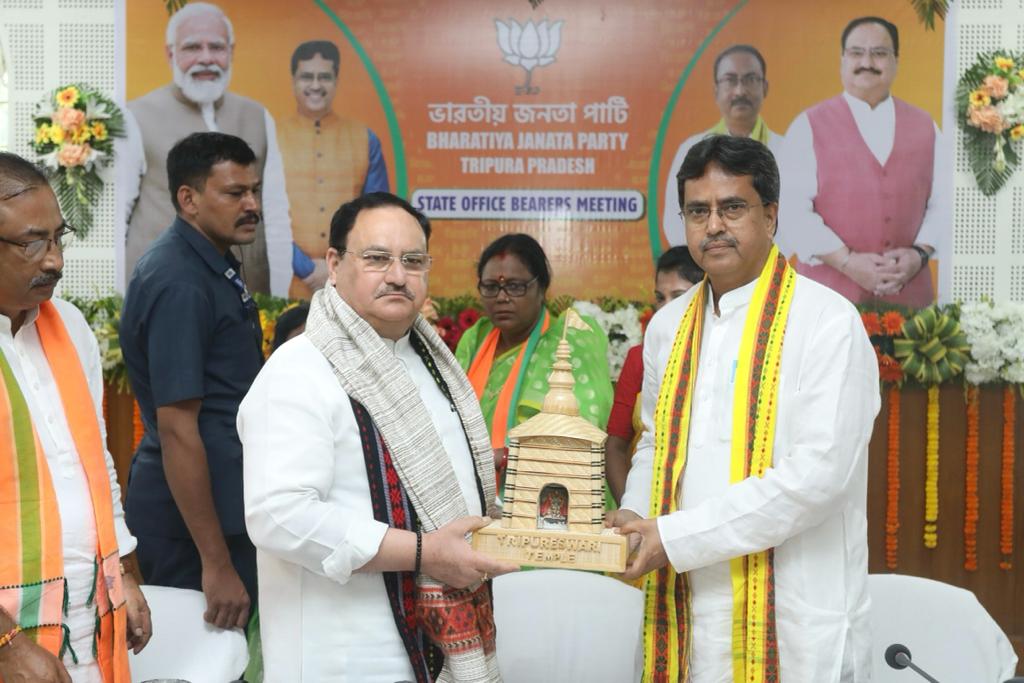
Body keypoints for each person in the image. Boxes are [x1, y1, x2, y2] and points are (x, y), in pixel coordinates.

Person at [608, 136, 880, 681]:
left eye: (732, 207)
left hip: (792, 618)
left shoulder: (827, 321)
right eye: (697, 210)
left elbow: (817, 478)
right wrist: (636, 516)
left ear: (771, 215)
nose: (713, 226)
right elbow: (655, 443)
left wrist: (674, 538)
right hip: (683, 614)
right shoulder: (667, 328)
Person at [238, 192, 514, 681]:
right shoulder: (299, 369)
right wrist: (424, 553)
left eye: (412, 261)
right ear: (335, 264)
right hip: (346, 652)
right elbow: (279, 516)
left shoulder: (433, 362)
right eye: (377, 258)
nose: (396, 275)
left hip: (436, 647)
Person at [0, 152, 150, 682]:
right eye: (32, 243)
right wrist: (6, 646)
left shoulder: (69, 325)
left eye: (59, 238)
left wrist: (124, 574)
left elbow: (95, 466)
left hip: (88, 615)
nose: (54, 260)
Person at [120, 133, 264, 635]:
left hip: (222, 511)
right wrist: (216, 561)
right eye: (234, 193)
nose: (251, 205)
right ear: (188, 198)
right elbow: (180, 426)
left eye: (255, 190)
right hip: (192, 531)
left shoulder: (211, 262)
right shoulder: (179, 279)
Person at [121, 1, 291, 296]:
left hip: (247, 292)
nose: (206, 59)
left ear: (231, 52)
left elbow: (275, 216)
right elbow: (117, 219)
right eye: (192, 48)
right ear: (170, 53)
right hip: (166, 289)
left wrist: (277, 296)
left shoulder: (257, 116)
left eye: (216, 47)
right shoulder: (136, 116)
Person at [778, 16, 947, 307]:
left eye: (879, 53)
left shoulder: (926, 126)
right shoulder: (807, 125)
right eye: (856, 52)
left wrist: (919, 254)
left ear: (897, 61)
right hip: (826, 302)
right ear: (842, 60)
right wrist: (847, 262)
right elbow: (791, 211)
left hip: (909, 301)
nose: (867, 62)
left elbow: (949, 203)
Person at [454, 234, 613, 497]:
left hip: (546, 496)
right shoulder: (475, 339)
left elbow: (577, 437)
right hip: (471, 496)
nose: (501, 297)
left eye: (515, 286)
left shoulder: (568, 340)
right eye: (491, 286)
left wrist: (505, 458)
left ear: (542, 288)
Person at [278, 40, 390, 299]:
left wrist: (339, 264)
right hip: (284, 283)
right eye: (307, 76)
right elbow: (262, 218)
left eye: (324, 77)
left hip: (349, 284)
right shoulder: (270, 139)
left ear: (336, 80)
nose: (315, 85)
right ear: (293, 80)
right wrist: (306, 269)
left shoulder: (364, 139)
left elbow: (376, 217)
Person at [605, 246, 703, 505]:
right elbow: (615, 447)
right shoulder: (640, 357)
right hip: (647, 502)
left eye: (679, 296)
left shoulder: (722, 351)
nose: (665, 309)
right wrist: (631, 510)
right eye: (660, 297)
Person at [662, 45, 782, 246]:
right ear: (715, 90)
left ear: (765, 88)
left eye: (750, 79)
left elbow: (796, 224)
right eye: (730, 80)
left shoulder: (788, 149)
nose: (740, 90)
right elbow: (675, 227)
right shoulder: (691, 149)